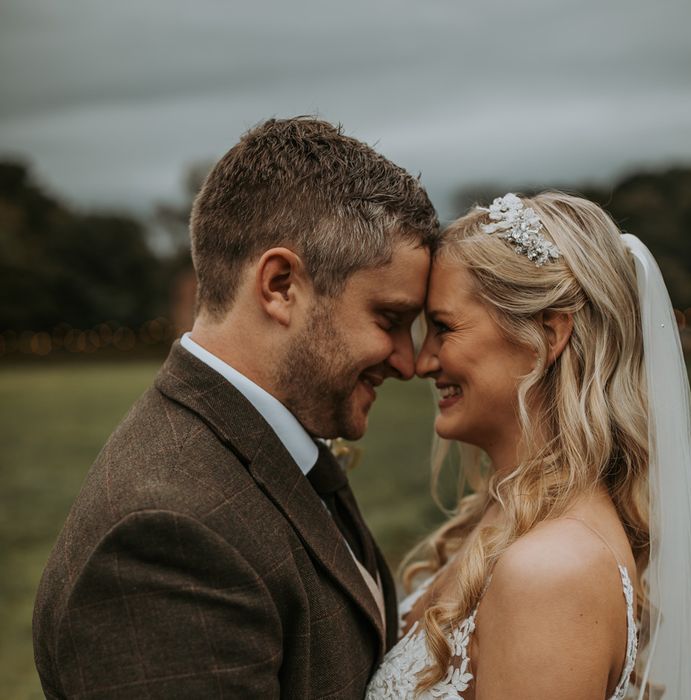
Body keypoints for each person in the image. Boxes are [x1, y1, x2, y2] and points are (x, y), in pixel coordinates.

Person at [33, 117, 439, 698]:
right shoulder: (163, 543)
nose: (407, 361)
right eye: (390, 320)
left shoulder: (265, 440)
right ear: (279, 285)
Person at [366, 192, 691, 699]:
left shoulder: (552, 572)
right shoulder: (507, 518)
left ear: (547, 333)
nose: (421, 361)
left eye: (443, 328)